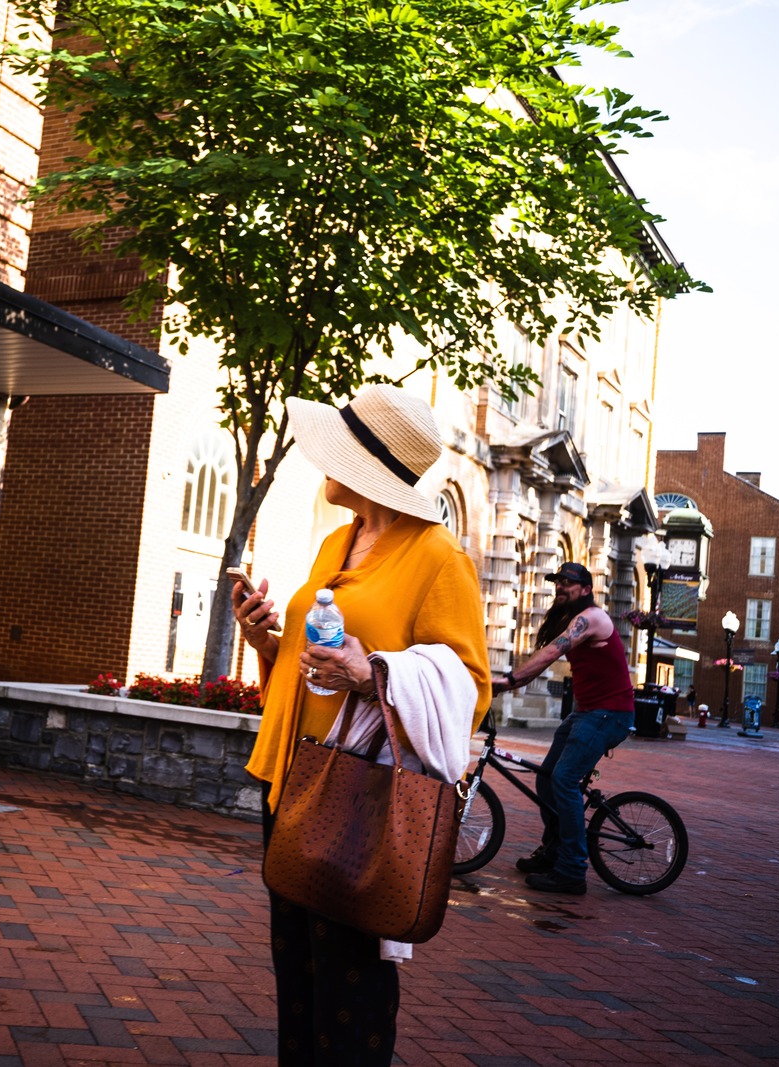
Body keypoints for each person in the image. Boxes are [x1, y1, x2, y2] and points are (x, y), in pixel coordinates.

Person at [229, 384, 491, 1067]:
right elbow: (308, 659)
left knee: (350, 986)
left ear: (368, 468)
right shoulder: (335, 544)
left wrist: (373, 673)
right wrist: (264, 639)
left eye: (337, 451)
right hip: (292, 780)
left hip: (361, 802)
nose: (325, 461)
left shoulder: (438, 558)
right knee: (297, 974)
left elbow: (469, 688)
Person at [492, 561, 634, 895]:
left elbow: (552, 653)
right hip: (587, 713)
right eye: (557, 582)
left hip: (607, 715)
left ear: (586, 589)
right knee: (546, 778)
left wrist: (510, 681)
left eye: (568, 582)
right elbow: (548, 650)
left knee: (564, 780)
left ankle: (571, 871)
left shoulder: (592, 618)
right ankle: (554, 851)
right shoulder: (573, 619)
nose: (561, 587)